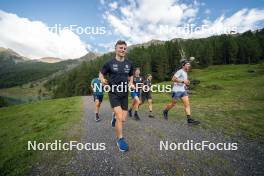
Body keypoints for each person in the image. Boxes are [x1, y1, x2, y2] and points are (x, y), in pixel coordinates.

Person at [99, 40, 134, 152]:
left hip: (124, 93)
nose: (123, 50)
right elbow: (101, 73)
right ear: (115, 49)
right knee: (120, 116)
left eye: (124, 48)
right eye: (120, 48)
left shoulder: (129, 63)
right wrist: (102, 79)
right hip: (113, 92)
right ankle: (120, 140)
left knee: (123, 118)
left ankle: (114, 117)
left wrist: (131, 83)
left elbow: (131, 75)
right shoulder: (109, 63)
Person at [163, 59, 200, 125]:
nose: (189, 66)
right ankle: (165, 111)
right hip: (176, 91)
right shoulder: (179, 71)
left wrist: (186, 84)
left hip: (183, 91)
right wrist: (183, 81)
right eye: (187, 64)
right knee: (173, 104)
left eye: (189, 64)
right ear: (183, 65)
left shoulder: (185, 73)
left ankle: (189, 120)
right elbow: (173, 79)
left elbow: (184, 81)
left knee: (187, 104)